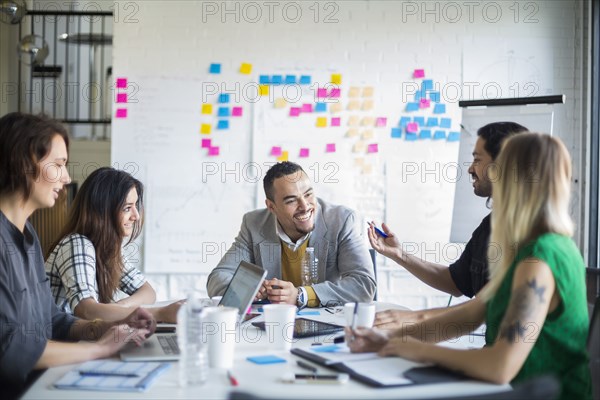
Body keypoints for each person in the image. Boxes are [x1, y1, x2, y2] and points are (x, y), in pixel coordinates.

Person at [348, 133, 592, 400]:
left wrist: (413, 348)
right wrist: (391, 339)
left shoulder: (541, 257)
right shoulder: (528, 248)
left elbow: (500, 367)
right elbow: (467, 317)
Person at [0, 113, 155, 397]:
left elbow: (53, 319)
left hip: (38, 384)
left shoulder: (28, 237)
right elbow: (9, 348)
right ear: (24, 164)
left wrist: (107, 328)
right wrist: (99, 349)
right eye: (58, 165)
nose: (67, 177)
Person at [371, 122, 528, 329]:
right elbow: (456, 282)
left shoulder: (529, 235)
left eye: (477, 160)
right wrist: (399, 254)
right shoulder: (490, 226)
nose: (471, 169)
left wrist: (414, 321)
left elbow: (483, 310)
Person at [207, 161, 376, 307]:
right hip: (274, 324)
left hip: (327, 326)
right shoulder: (253, 224)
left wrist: (301, 295)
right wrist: (248, 288)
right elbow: (217, 278)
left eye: (308, 194)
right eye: (291, 200)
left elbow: (364, 285)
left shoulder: (341, 220)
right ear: (271, 207)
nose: (305, 206)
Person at [45, 167, 181, 323]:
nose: (136, 216)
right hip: (61, 344)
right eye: (127, 208)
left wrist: (120, 307)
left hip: (82, 340)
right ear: (103, 212)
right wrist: (158, 314)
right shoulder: (77, 244)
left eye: (135, 206)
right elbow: (87, 311)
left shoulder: (106, 248)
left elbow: (148, 292)